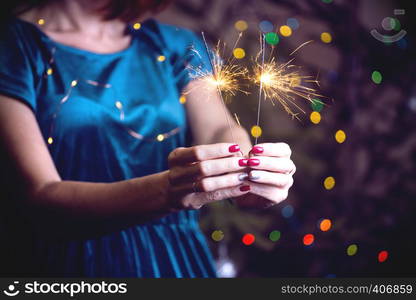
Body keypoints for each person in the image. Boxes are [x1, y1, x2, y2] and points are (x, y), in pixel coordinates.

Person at [0, 0, 295, 277]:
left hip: (177, 257)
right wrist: (166, 191)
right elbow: (40, 196)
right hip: (68, 265)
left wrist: (247, 171)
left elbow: (218, 128)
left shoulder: (175, 45)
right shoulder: (13, 47)